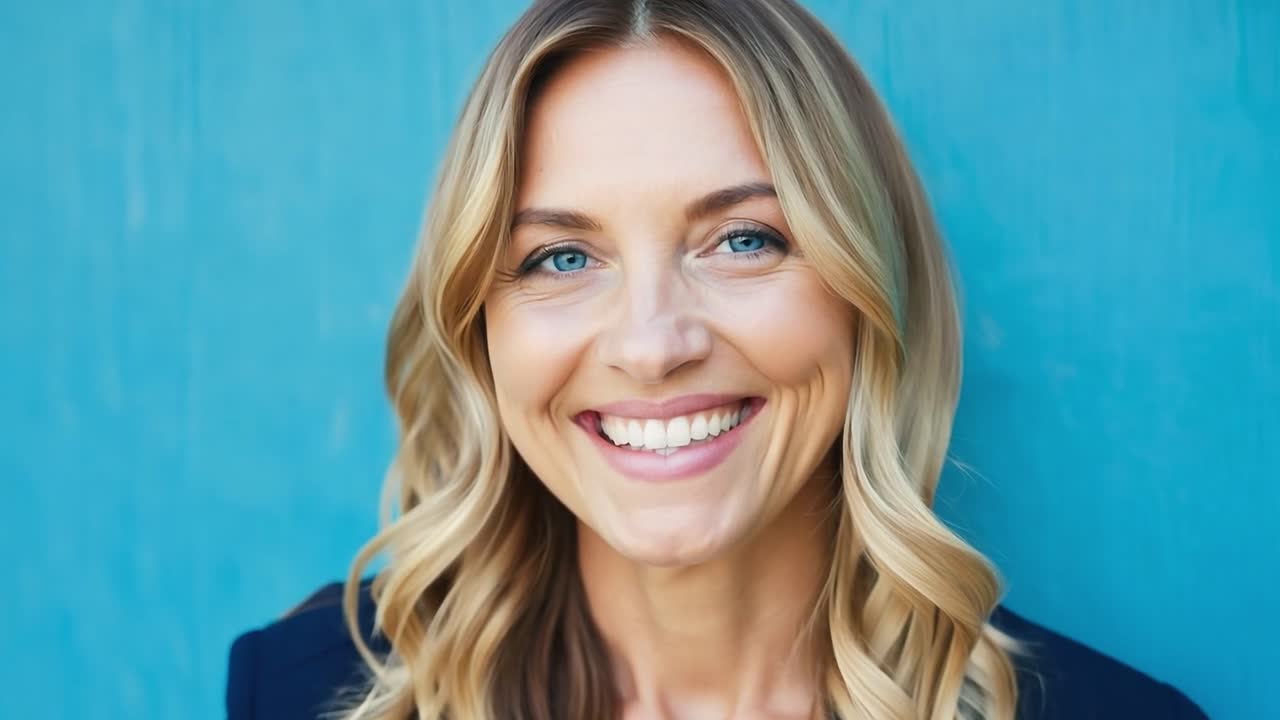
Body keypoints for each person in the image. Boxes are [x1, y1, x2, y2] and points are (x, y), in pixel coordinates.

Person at [227, 1, 1208, 718]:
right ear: (479, 330)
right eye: (559, 257)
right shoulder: (307, 691)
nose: (653, 346)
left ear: (864, 290)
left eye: (742, 240)